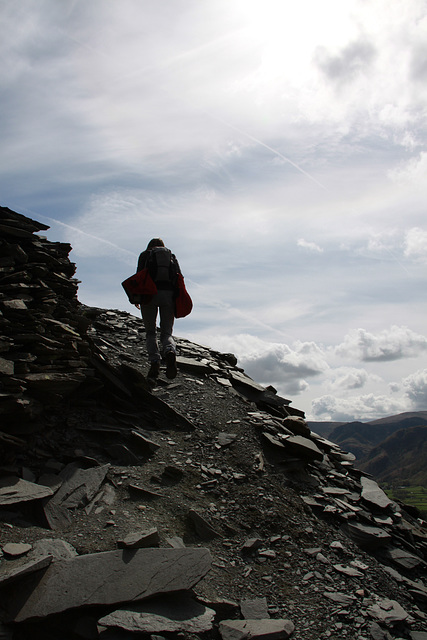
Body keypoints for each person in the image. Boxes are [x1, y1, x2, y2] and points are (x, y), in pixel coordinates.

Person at [135, 238, 180, 380]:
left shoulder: (145, 255)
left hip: (149, 295)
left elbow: (139, 276)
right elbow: (179, 278)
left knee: (150, 332)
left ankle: (155, 362)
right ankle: (169, 351)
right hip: (168, 295)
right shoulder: (171, 256)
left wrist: (137, 298)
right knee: (166, 333)